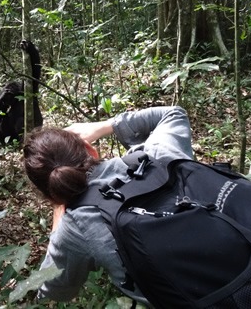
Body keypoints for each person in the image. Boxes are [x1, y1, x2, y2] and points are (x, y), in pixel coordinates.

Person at [22, 106, 194, 304]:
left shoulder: (75, 226)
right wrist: (106, 126)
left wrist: (58, 224)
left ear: (50, 196)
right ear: (91, 151)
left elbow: (52, 292)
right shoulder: (157, 154)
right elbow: (173, 113)